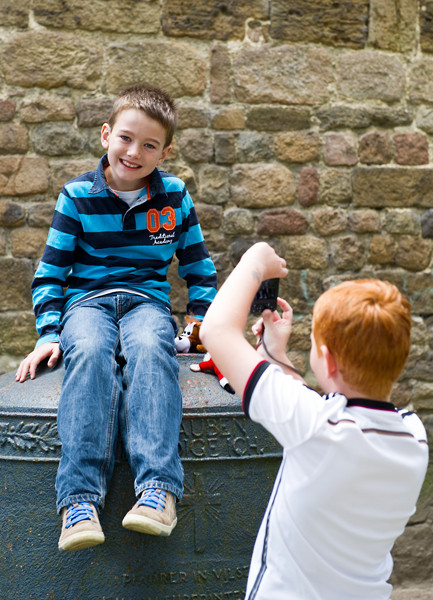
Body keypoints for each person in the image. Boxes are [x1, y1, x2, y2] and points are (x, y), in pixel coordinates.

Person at [16, 84, 217, 552]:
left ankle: (158, 491)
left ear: (165, 152)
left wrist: (199, 323)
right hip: (87, 302)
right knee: (87, 349)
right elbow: (50, 273)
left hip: (147, 302)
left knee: (151, 346)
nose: (134, 152)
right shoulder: (77, 196)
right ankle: (79, 500)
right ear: (106, 135)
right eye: (126, 138)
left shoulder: (174, 197)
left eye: (149, 145)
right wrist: (49, 332)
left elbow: (199, 266)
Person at [200, 242, 428, 600]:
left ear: (327, 360)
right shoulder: (414, 437)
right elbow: (318, 411)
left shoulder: (315, 427)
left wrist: (254, 262)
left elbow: (215, 331)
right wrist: (274, 354)